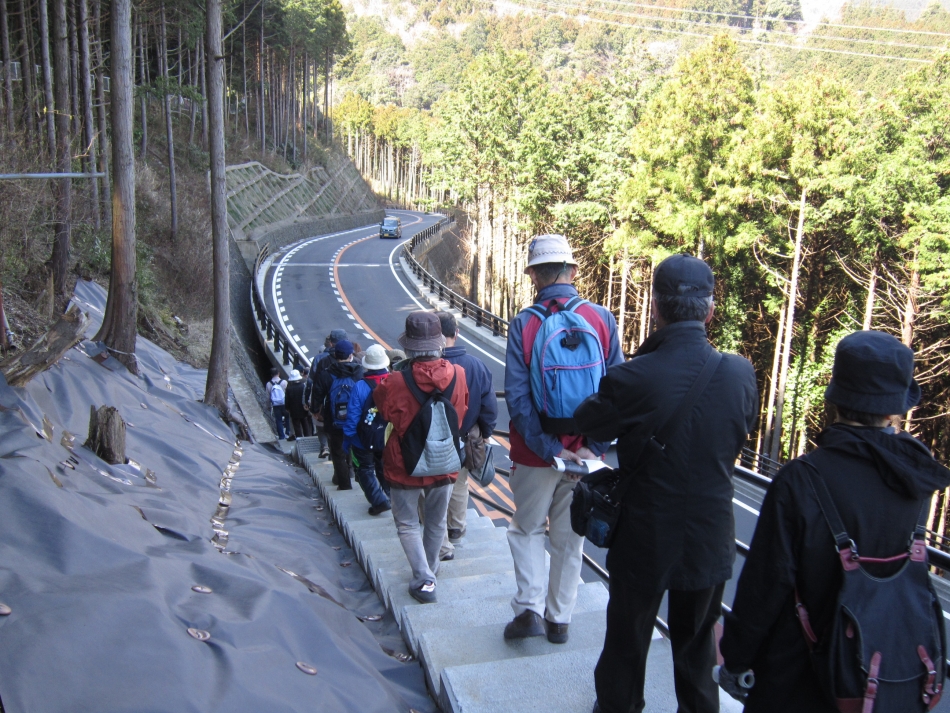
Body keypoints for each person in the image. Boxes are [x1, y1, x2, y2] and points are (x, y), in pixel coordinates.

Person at [718, 330, 950, 713]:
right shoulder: (916, 476)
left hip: (797, 674)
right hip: (879, 670)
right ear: (895, 408)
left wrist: (736, 658)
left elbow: (765, 584)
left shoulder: (801, 478)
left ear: (836, 397)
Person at [573, 253, 758, 713]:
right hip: (711, 535)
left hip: (644, 536)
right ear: (710, 311)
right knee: (697, 651)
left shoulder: (635, 375)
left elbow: (587, 423)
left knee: (627, 640)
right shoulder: (739, 373)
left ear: (655, 307)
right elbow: (739, 432)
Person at [504, 234, 623, 644]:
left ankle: (529, 611)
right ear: (573, 271)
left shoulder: (525, 323)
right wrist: (595, 446)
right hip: (585, 455)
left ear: (534, 275)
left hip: (536, 455)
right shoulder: (602, 320)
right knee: (569, 540)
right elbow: (617, 393)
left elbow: (518, 400)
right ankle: (559, 620)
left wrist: (549, 449)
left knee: (526, 530)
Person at [374, 311, 469, 604]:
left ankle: (423, 578)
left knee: (407, 523)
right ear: (439, 342)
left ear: (410, 347)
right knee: (436, 523)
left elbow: (385, 412)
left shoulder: (393, 382)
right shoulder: (459, 374)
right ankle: (430, 571)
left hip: (405, 463)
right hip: (444, 462)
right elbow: (461, 415)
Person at [436, 311, 497, 555]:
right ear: (456, 333)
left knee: (431, 485)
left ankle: (435, 532)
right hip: (463, 438)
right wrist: (485, 431)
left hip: (431, 440)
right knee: (459, 484)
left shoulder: (425, 365)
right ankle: (456, 529)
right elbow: (489, 404)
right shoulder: (475, 365)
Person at [343, 344, 392, 516]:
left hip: (363, 439)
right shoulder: (393, 382)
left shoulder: (361, 386)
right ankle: (390, 496)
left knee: (364, 468)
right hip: (387, 436)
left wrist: (348, 438)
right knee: (384, 466)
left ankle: (378, 501)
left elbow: (353, 415)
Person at [311, 340, 363, 490]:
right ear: (350, 355)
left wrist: (315, 410)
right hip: (355, 417)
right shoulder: (359, 372)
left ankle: (344, 482)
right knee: (356, 447)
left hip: (333, 419)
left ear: (335, 354)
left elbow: (317, 394)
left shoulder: (326, 373)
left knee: (338, 451)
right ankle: (356, 475)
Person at [310, 329, 348, 458]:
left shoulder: (321, 360)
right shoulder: (355, 363)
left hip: (330, 407)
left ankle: (339, 472)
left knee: (335, 441)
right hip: (351, 408)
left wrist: (315, 408)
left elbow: (315, 385)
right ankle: (349, 468)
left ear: (331, 343)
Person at [285, 367, 313, 440]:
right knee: (305, 423)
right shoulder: (303, 386)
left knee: (296, 425)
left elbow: (287, 400)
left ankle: (299, 439)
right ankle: (307, 438)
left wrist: (287, 408)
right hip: (303, 408)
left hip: (293, 410)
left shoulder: (289, 388)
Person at [266, 367, 290, 441]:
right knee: (287, 418)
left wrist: (268, 406)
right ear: (279, 373)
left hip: (276, 404)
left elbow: (268, 397)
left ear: (271, 375)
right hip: (284, 403)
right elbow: (288, 393)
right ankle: (288, 433)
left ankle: (281, 436)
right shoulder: (284, 382)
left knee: (278, 420)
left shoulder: (269, 384)